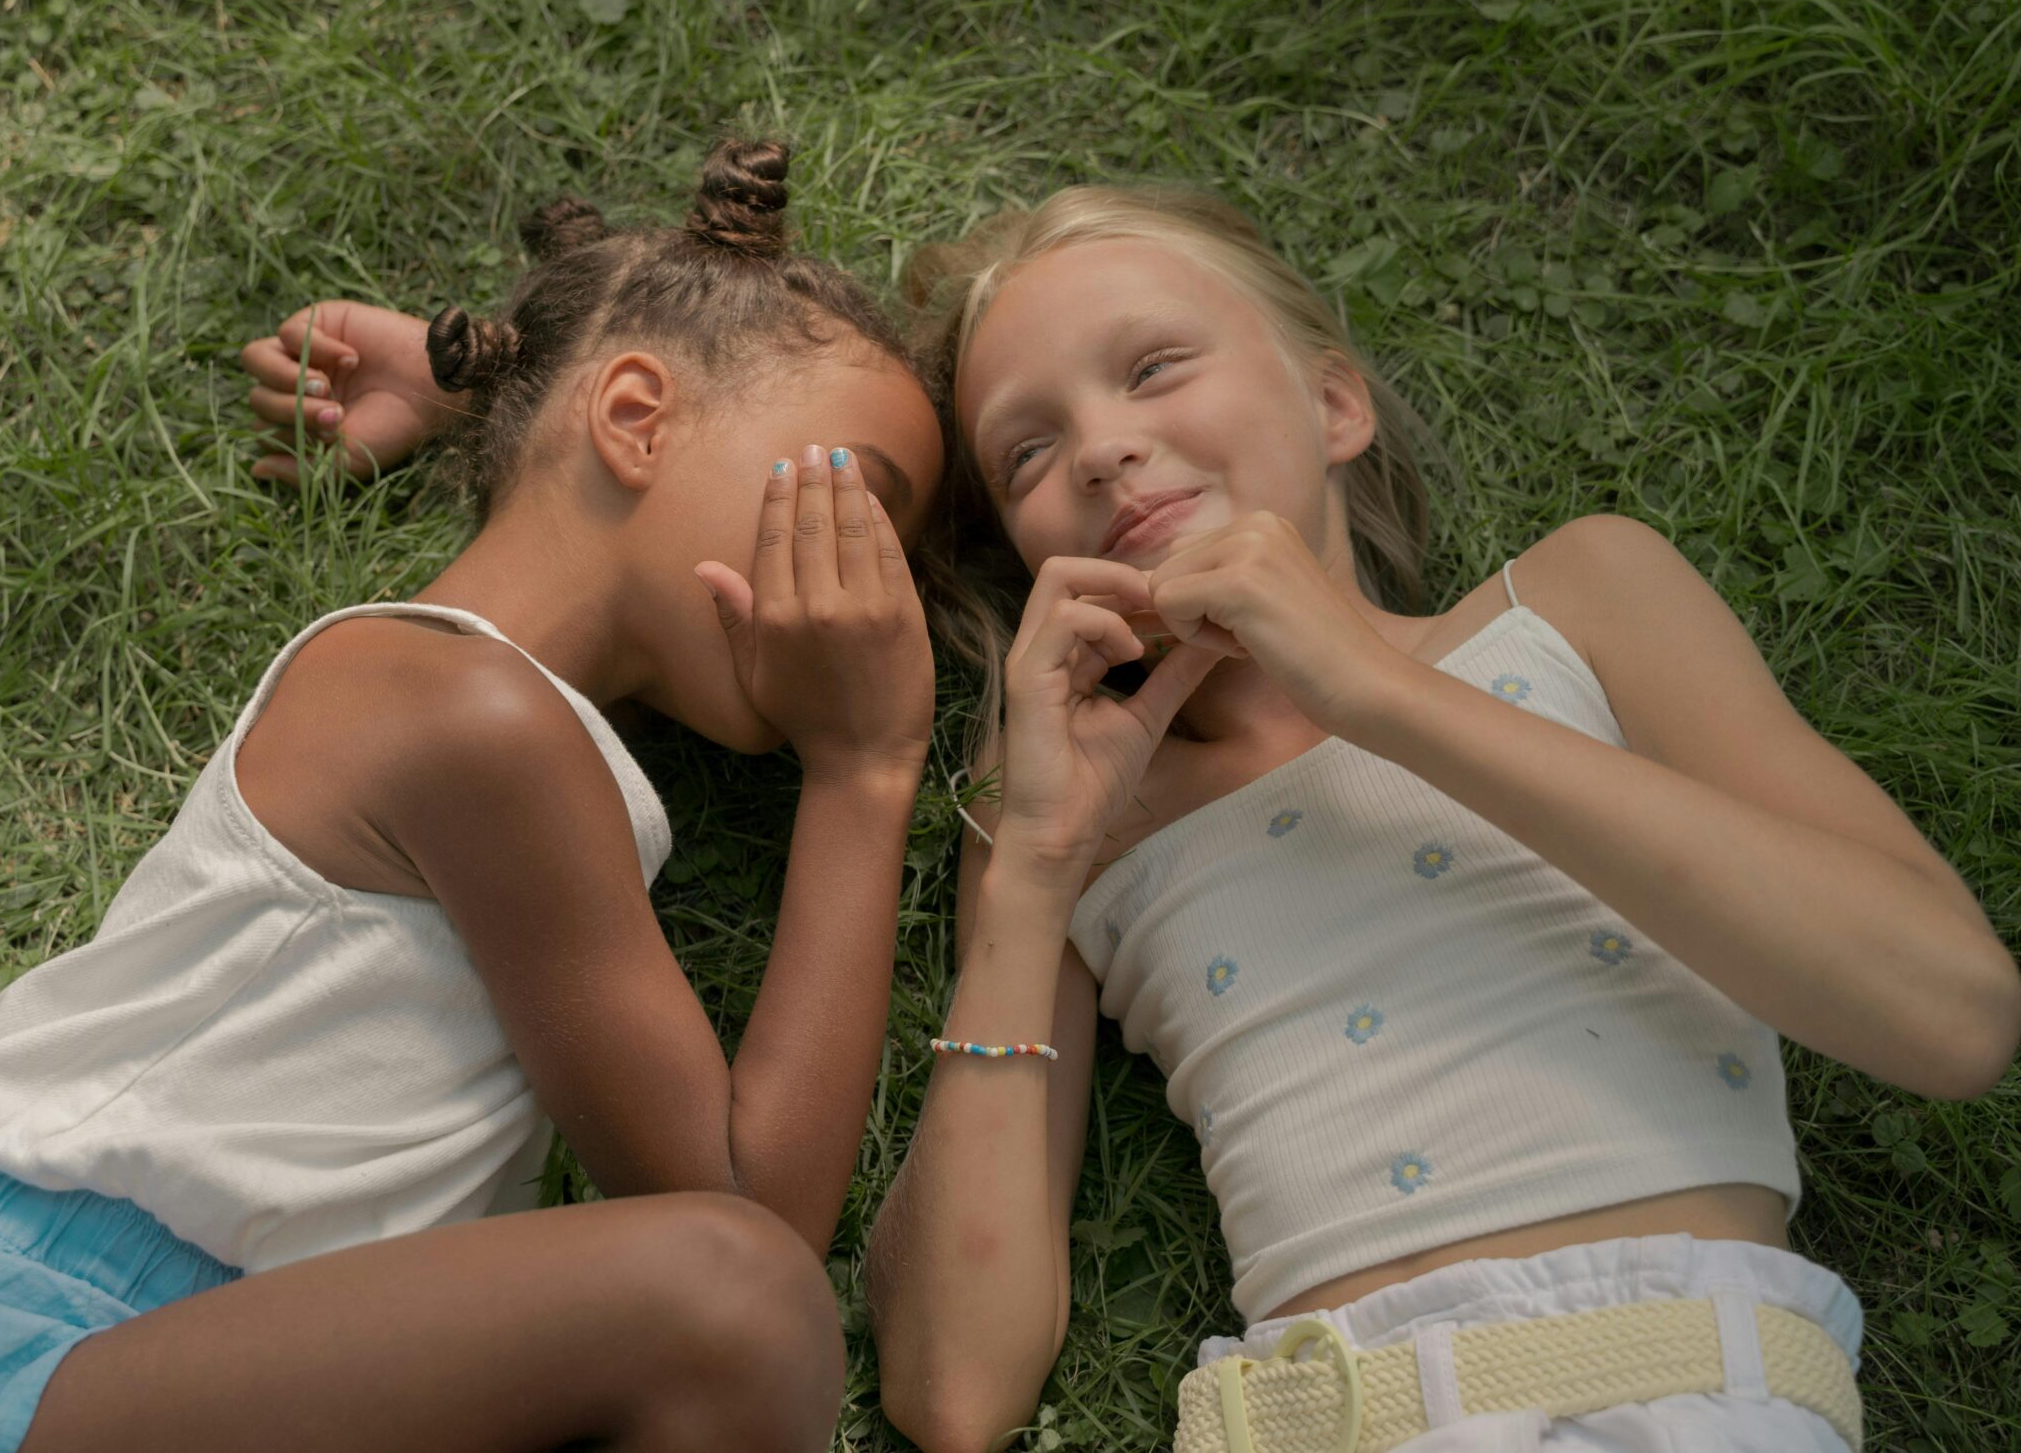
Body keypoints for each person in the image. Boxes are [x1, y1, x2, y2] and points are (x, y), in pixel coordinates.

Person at [0, 142, 947, 1453]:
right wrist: (866, 764)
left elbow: (586, 516)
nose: (878, 593)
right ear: (635, 415)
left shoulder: (475, 712)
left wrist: (476, 399)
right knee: (730, 1295)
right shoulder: (475, 722)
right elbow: (748, 1213)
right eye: (858, 506)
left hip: (206, 1368)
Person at [857, 184, 2021, 1452]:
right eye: (1026, 451)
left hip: (1689, 1388)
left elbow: (1952, 1017)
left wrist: (1376, 694)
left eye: (1151, 368)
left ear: (1334, 403)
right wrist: (1030, 871)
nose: (1096, 448)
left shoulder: (1575, 602)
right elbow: (953, 1394)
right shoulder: (1072, 819)